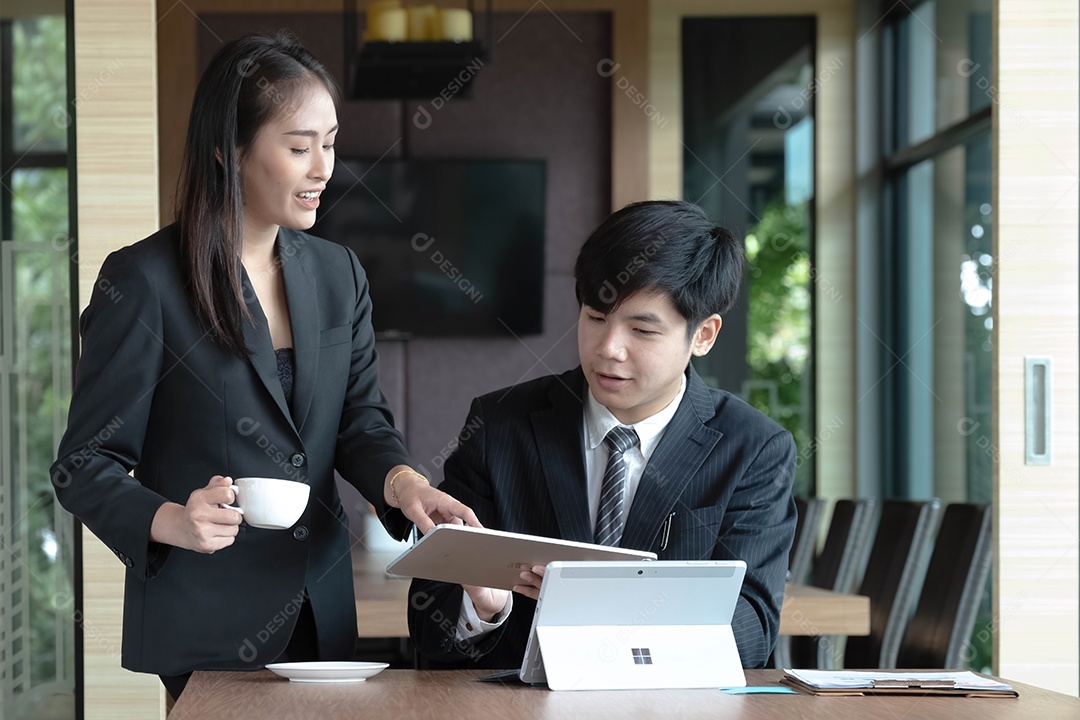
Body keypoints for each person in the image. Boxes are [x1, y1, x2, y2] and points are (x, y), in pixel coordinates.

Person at [50, 33, 477, 699]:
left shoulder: (339, 274)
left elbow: (360, 425)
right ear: (230, 149)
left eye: (330, 143)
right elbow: (84, 465)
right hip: (207, 621)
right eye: (300, 146)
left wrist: (404, 486)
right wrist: (172, 521)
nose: (324, 168)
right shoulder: (145, 282)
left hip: (322, 604)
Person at [408, 200, 797, 670]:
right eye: (595, 318)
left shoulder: (753, 449)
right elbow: (429, 620)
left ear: (704, 335)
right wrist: (485, 609)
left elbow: (750, 630)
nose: (609, 349)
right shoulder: (500, 424)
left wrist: (612, 609)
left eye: (642, 330)